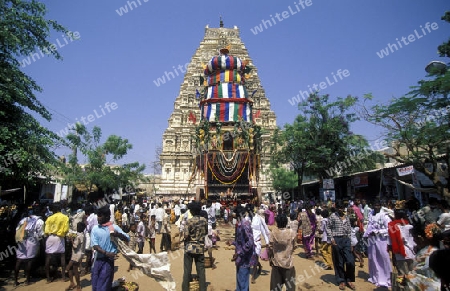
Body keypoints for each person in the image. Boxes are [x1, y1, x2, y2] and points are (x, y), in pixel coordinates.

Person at [90, 205, 129, 291]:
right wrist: (106, 253)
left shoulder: (113, 228)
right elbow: (95, 245)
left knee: (103, 285)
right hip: (97, 260)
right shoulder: (95, 229)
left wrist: (118, 234)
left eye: (100, 215)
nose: (98, 217)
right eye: (98, 215)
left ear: (107, 216)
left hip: (108, 262)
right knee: (95, 285)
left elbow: (127, 238)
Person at [326, 202, 356, 290]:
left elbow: (349, 229)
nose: (340, 209)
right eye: (339, 207)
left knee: (350, 261)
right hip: (337, 240)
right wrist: (331, 239)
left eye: (342, 207)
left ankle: (349, 279)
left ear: (344, 208)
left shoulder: (346, 217)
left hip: (346, 240)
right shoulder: (332, 216)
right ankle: (341, 280)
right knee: (339, 261)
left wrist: (350, 242)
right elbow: (328, 227)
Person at [363, 200, 392, 288]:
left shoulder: (385, 216)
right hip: (372, 240)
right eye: (375, 205)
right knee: (373, 258)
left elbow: (389, 229)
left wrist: (378, 232)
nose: (376, 207)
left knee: (383, 258)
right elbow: (369, 225)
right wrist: (367, 232)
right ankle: (375, 277)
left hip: (381, 240)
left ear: (380, 206)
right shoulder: (371, 214)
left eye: (378, 205)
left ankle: (386, 278)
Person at [228, 205, 257, 291]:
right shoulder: (240, 225)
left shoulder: (245, 225)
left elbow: (250, 242)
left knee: (243, 280)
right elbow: (241, 241)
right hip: (240, 258)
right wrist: (233, 242)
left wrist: (239, 252)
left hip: (245, 258)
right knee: (240, 280)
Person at [14, 207, 44, 286]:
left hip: (21, 240)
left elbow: (17, 229)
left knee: (19, 260)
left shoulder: (23, 220)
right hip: (32, 241)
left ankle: (15, 281)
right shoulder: (39, 221)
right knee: (29, 260)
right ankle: (27, 280)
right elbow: (41, 234)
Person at [182, 201, 208, 291]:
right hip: (200, 248)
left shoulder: (189, 222)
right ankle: (203, 288)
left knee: (187, 271)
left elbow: (185, 235)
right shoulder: (204, 221)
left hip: (189, 248)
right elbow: (206, 233)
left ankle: (185, 288)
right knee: (201, 271)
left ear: (192, 211)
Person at [387, 202, 416, 283]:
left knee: (402, 277)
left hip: (399, 254)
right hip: (411, 252)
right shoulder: (410, 226)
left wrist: (393, 256)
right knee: (412, 275)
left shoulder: (392, 227)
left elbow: (390, 244)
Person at [268, 213, 297, 291]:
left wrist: (270, 259)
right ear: (286, 222)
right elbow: (294, 246)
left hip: (276, 263)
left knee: (275, 288)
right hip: (288, 263)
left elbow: (270, 247)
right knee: (290, 288)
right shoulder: (291, 233)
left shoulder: (273, 233)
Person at [44, 202, 70, 283]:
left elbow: (46, 231)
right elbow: (66, 230)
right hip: (60, 238)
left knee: (48, 257)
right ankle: (63, 277)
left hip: (50, 237)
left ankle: (48, 278)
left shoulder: (49, 218)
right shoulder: (65, 217)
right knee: (62, 256)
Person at [251, 208, 270, 284]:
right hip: (249, 243)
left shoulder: (260, 220)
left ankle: (253, 277)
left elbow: (265, 231)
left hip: (257, 243)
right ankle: (260, 266)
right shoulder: (249, 219)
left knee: (255, 259)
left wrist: (267, 242)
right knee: (252, 259)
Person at [65, 221, 86, 291]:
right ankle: (72, 283)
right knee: (71, 268)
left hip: (77, 254)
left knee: (74, 269)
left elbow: (75, 246)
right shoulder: (82, 235)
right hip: (78, 254)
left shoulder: (79, 236)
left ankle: (78, 285)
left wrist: (71, 240)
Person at [83, 204, 97, 275]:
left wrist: (85, 221)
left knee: (89, 253)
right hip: (97, 236)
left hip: (91, 236)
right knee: (94, 253)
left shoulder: (89, 218)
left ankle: (88, 269)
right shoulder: (96, 216)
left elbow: (88, 229)